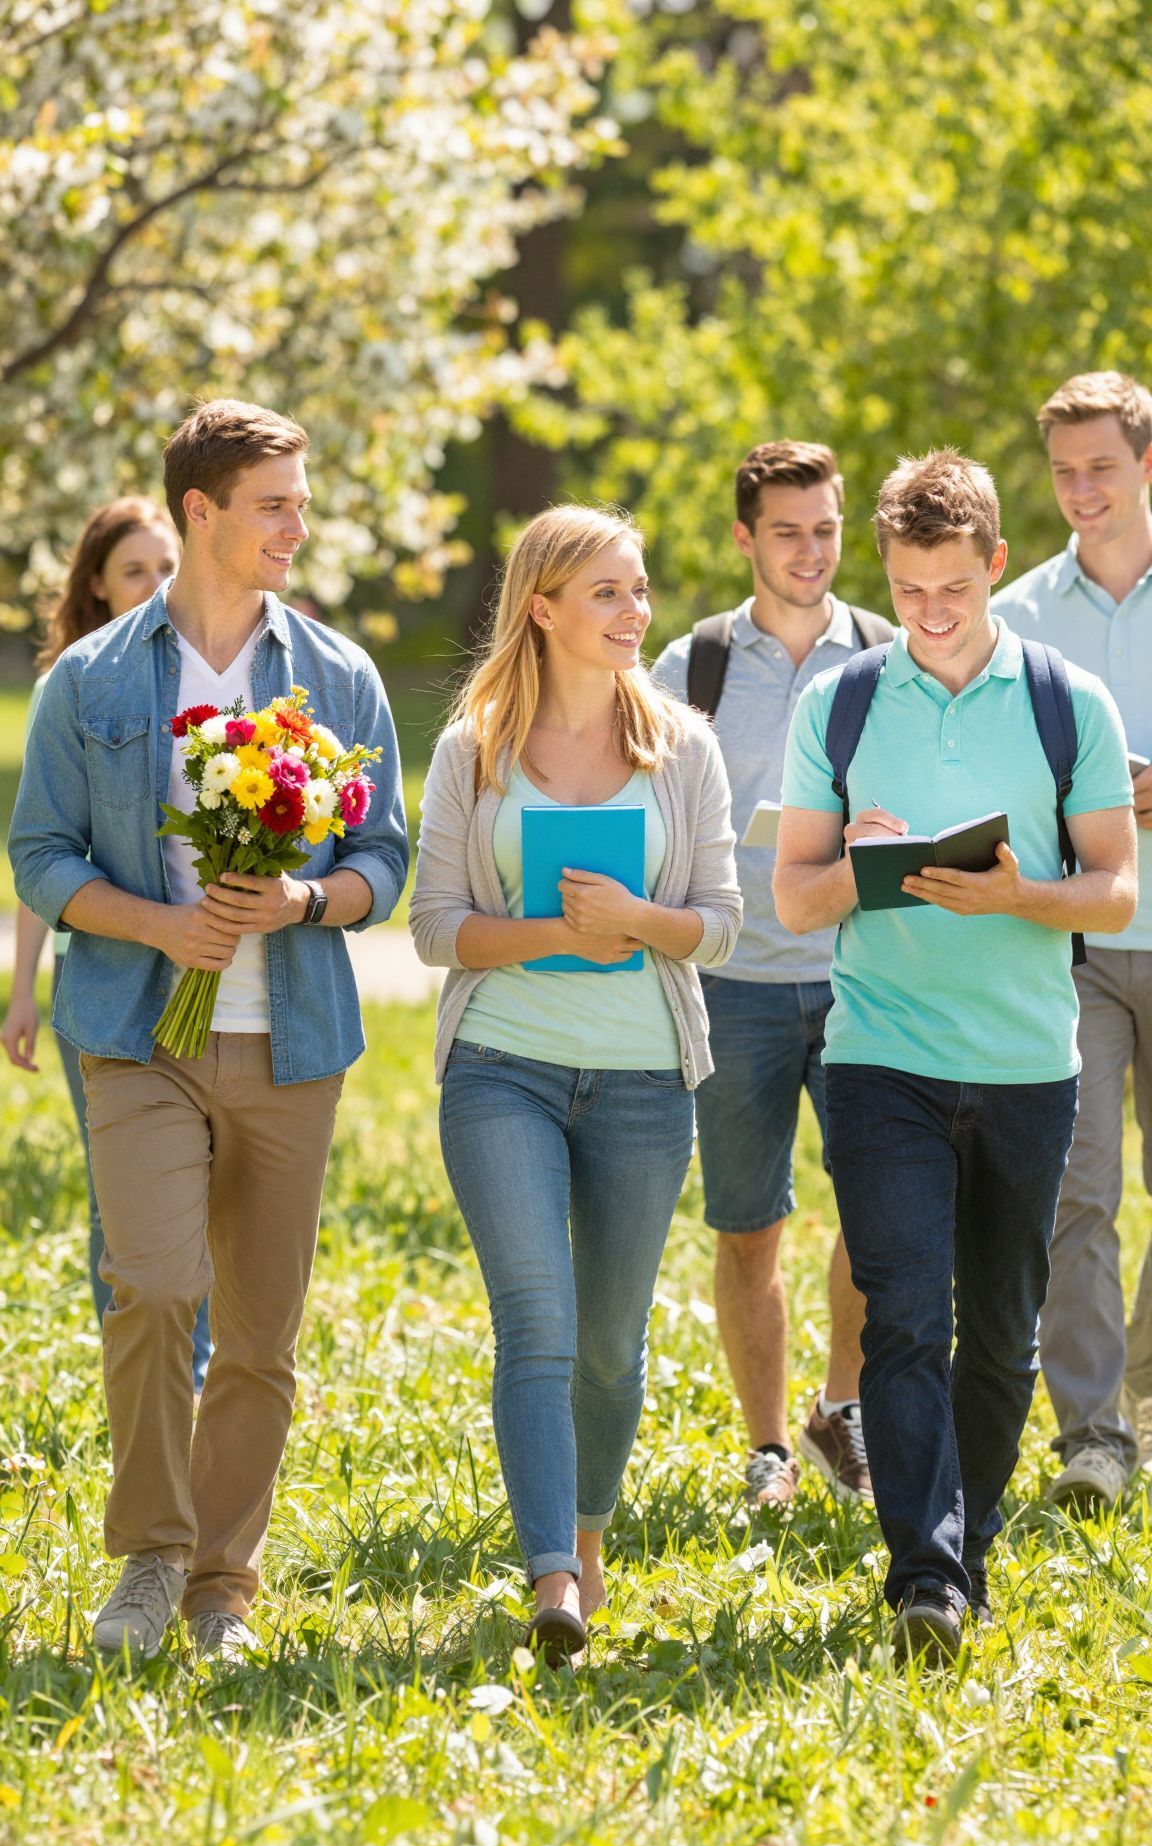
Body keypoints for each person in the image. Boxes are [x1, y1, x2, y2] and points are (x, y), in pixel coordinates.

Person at [10, 400, 408, 1660]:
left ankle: (222, 1584)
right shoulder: (94, 677)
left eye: (299, 499)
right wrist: (151, 923)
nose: (299, 523)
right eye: (274, 503)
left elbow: (384, 858)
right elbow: (39, 854)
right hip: (134, 1032)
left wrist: (303, 895)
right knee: (155, 1286)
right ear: (201, 512)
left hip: (291, 1041)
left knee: (258, 1330)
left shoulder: (338, 675)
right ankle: (148, 1558)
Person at [774, 450, 1135, 1661]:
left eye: (955, 588)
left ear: (992, 565)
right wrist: (857, 862)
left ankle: (966, 1549)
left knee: (1002, 1331)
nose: (931, 613)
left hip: (1031, 1060)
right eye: (910, 588)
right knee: (904, 1317)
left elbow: (1113, 891)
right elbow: (791, 901)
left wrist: (1021, 898)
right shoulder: (840, 704)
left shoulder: (1066, 699)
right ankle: (924, 1573)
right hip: (882, 1056)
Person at [410, 505, 741, 1663]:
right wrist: (547, 928)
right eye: (607, 591)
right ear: (541, 606)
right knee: (538, 1323)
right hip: (503, 1066)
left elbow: (724, 925)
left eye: (640, 590)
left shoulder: (684, 745)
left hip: (647, 1076)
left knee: (610, 1341)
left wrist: (639, 921)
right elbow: (435, 930)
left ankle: (588, 1537)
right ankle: (551, 1568)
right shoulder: (472, 751)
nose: (634, 613)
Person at [651, 441, 893, 1514]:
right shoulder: (687, 667)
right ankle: (765, 1447)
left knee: (878, 1208)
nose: (810, 551)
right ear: (746, 536)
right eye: (787, 531)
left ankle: (840, 1409)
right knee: (748, 1224)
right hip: (736, 982)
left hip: (864, 979)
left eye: (827, 529)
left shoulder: (891, 655)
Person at [1, 499, 214, 1392]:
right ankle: (156, 1377)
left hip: (223, 988)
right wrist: (22, 994)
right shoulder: (72, 687)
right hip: (113, 991)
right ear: (95, 583)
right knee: (127, 1209)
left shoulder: (213, 676)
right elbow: (43, 858)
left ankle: (202, 1379)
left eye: (168, 564)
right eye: (135, 570)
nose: (158, 584)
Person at [996, 373, 1152, 1508]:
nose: (1081, 489)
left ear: (1146, 464)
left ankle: (1140, 1393)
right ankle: (1093, 1433)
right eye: (1063, 469)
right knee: (1078, 1187)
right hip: (1078, 942)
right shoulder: (1024, 616)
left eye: (1101, 465)